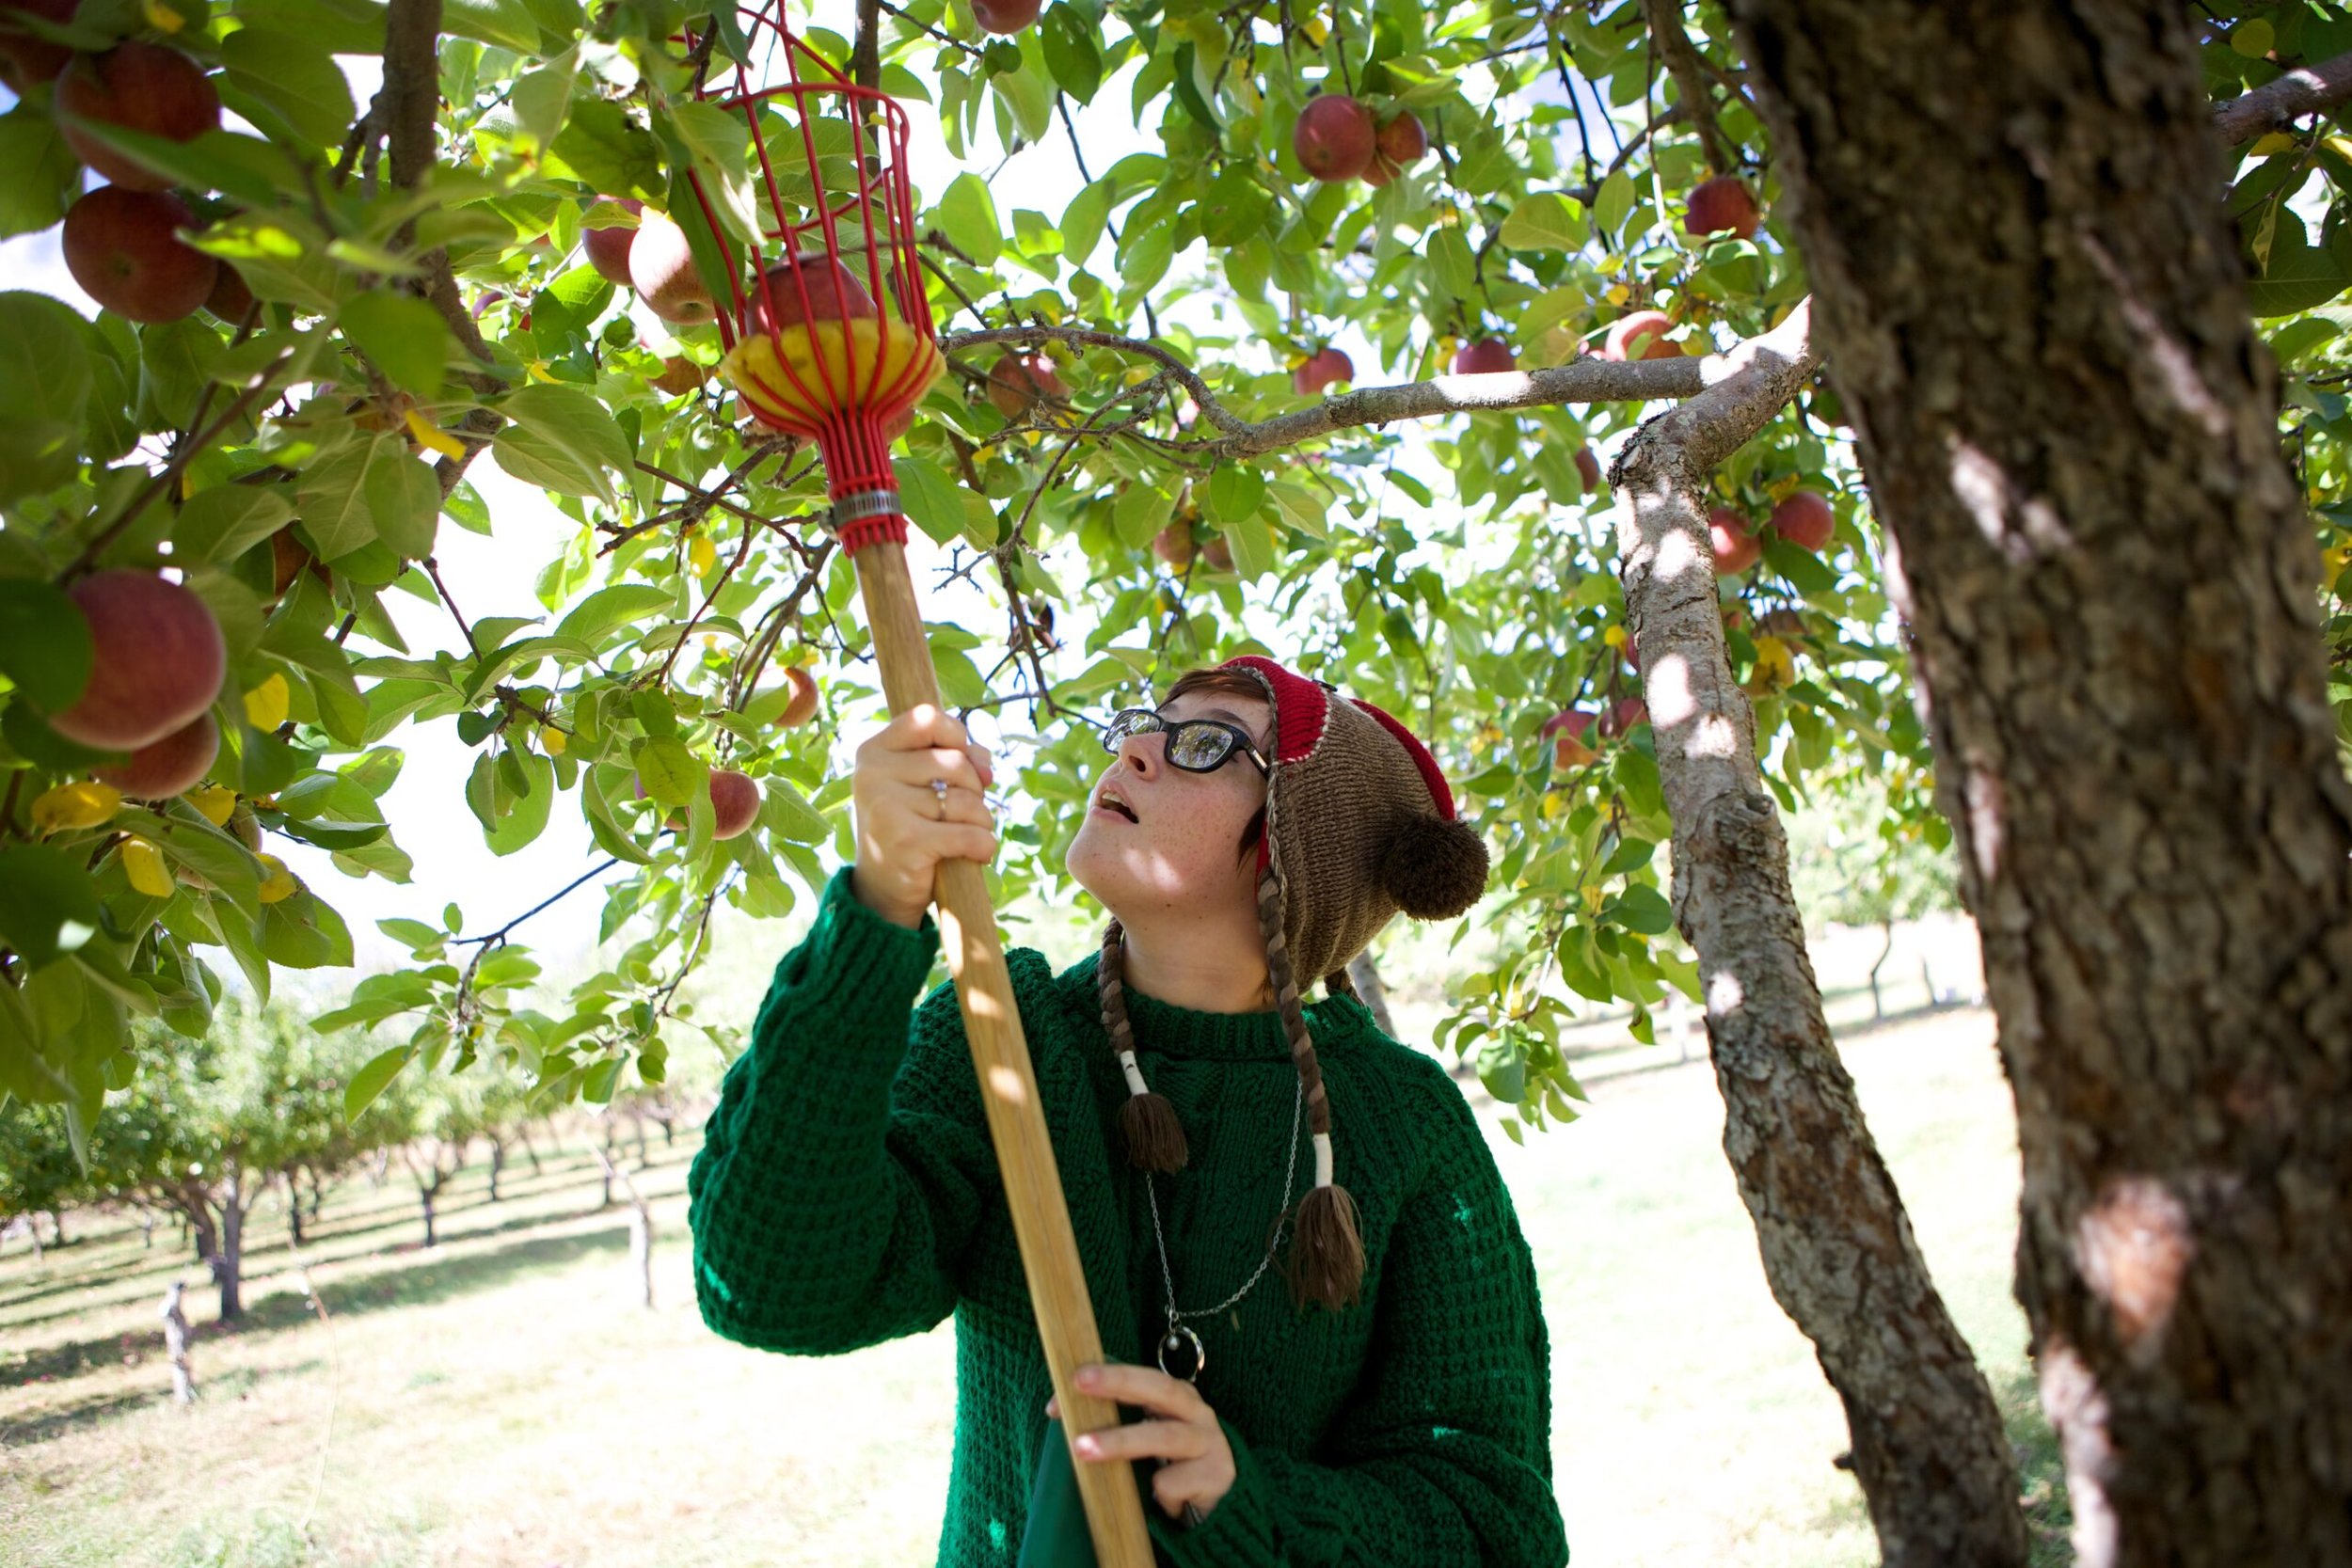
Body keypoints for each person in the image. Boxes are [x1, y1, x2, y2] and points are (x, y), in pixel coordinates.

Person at [687, 654, 1568, 1566]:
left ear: (1303, 843)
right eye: (1148, 721)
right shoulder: (1002, 1036)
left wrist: (1252, 1505)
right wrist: (875, 910)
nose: (1139, 747)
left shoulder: (1403, 1119)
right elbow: (770, 1287)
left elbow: (1493, 1523)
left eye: (1206, 745)